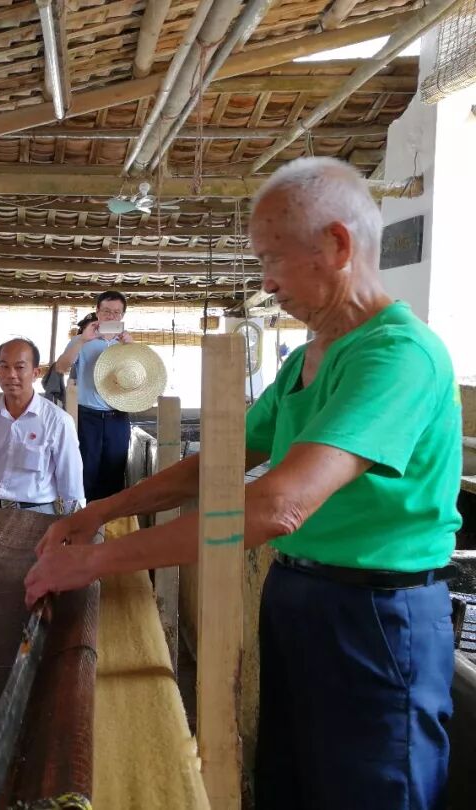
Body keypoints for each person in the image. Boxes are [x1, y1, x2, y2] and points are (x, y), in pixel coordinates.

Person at [25, 157, 460, 810]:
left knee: (369, 790)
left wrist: (95, 562)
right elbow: (217, 465)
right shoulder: (309, 358)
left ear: (337, 245)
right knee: (290, 781)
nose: (267, 282)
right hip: (300, 594)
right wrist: (101, 512)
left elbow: (280, 505)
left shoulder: (398, 355)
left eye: (273, 259)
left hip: (377, 617)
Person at [0, 338, 83, 514]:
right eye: (4, 367)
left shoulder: (58, 420)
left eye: (19, 367)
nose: (11, 374)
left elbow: (70, 479)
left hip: (39, 513)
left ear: (35, 373)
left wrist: (74, 523)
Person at [52, 292, 133, 501]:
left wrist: (131, 349)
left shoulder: (126, 344)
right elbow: (60, 367)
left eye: (117, 312)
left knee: (114, 473)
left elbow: (138, 381)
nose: (111, 316)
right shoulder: (81, 340)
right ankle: (82, 517)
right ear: (97, 312)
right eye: (106, 311)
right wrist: (82, 340)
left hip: (118, 417)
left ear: (122, 316)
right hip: (87, 417)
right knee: (84, 472)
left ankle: (109, 520)